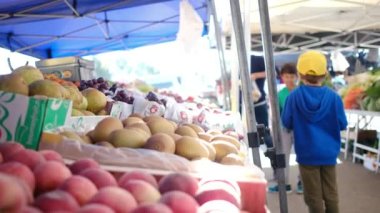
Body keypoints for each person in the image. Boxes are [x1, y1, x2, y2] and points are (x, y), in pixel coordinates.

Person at [281, 50, 348, 213]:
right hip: (329, 154)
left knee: (313, 196)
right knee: (331, 194)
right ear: (325, 74)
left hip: (306, 154)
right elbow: (342, 124)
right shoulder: (334, 97)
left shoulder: (293, 96)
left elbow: (286, 122)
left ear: (300, 74)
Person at [268, 63, 303, 194]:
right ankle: (284, 184)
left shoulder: (301, 91)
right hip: (285, 129)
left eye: (291, 76)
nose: (289, 79)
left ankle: (302, 183)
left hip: (300, 129)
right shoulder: (280, 94)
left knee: (302, 157)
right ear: (282, 77)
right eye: (286, 76)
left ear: (296, 77)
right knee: (283, 156)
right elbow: (277, 113)